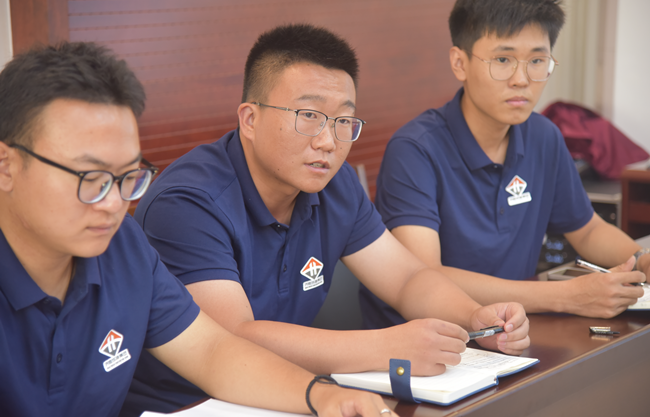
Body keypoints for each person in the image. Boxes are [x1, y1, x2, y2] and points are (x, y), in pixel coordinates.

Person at [124, 23, 530, 416]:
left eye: (343, 121)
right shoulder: (188, 202)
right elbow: (234, 338)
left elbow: (407, 278)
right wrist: (385, 346)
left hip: (298, 394)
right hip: (187, 406)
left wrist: (473, 316)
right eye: (309, 116)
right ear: (250, 119)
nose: (328, 141)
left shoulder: (334, 184)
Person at [0, 41, 394, 417]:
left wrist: (322, 396)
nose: (113, 203)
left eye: (127, 178)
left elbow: (212, 352)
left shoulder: (123, 246)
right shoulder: (185, 202)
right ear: (7, 166)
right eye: (90, 178)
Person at [360, 0, 648, 332]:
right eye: (502, 60)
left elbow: (586, 230)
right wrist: (565, 296)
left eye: (537, 61)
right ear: (460, 63)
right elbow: (424, 275)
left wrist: (640, 260)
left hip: (511, 332)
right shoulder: (414, 149)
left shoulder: (544, 136)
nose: (521, 80)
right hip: (430, 340)